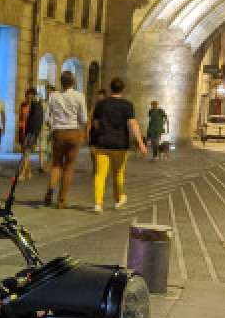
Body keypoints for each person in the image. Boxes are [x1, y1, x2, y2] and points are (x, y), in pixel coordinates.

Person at [89, 77, 147, 213]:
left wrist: (94, 141)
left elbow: (95, 124)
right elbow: (133, 125)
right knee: (118, 173)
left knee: (100, 174)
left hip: (102, 143)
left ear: (110, 88)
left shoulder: (101, 104)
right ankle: (118, 200)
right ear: (122, 89)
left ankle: (98, 204)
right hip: (120, 144)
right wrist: (141, 143)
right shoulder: (127, 105)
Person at [43, 71, 87, 209]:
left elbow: (47, 118)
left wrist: (54, 126)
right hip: (73, 132)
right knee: (69, 166)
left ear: (60, 82)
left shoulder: (53, 96)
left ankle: (51, 189)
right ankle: (62, 199)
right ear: (73, 82)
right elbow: (84, 119)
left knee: (56, 164)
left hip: (58, 132)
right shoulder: (79, 96)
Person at [16, 86, 45, 181]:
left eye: (31, 96)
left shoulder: (36, 106)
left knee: (26, 151)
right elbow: (20, 118)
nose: (29, 98)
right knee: (24, 152)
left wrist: (36, 131)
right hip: (22, 130)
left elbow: (39, 120)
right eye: (28, 96)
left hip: (30, 130)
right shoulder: (23, 105)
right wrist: (17, 131)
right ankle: (28, 171)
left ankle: (23, 173)